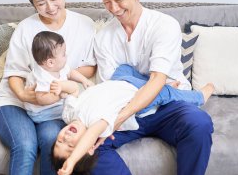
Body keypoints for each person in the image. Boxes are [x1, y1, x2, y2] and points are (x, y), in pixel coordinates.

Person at [88, 0, 214, 175]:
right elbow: (116, 88)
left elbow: (155, 81)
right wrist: (163, 88)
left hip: (167, 109)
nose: (113, 8)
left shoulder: (164, 26)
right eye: (106, 1)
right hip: (129, 110)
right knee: (89, 149)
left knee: (199, 123)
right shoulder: (104, 38)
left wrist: (116, 119)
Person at [0, 0, 96, 175]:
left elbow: (91, 66)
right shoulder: (26, 28)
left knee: (51, 141)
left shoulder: (84, 24)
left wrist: (62, 82)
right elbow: (14, 73)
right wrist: (23, 95)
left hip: (51, 107)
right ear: (32, 4)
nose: (50, 7)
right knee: (25, 146)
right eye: (41, 3)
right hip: (15, 102)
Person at [51, 62, 214, 175]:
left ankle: (168, 89)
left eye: (60, 141)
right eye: (72, 146)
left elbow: (72, 90)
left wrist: (62, 86)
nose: (66, 138)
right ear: (87, 145)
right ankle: (198, 96)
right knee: (163, 92)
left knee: (126, 70)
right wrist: (72, 161)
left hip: (123, 82)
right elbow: (91, 136)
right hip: (140, 98)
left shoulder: (69, 114)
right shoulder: (97, 124)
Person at [24, 31, 94, 123]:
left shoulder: (59, 66)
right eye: (64, 54)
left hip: (56, 105)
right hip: (41, 112)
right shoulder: (41, 77)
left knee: (78, 106)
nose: (67, 55)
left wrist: (84, 80)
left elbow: (70, 73)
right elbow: (41, 99)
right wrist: (59, 96)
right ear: (50, 62)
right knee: (76, 113)